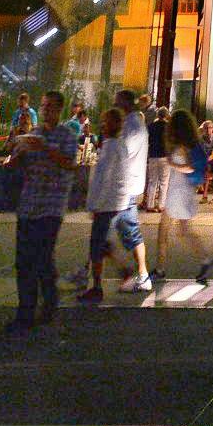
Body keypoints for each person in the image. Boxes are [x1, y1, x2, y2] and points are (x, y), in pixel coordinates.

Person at [6, 91, 83, 335]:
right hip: (28, 203)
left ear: (59, 109)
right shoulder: (34, 134)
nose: (46, 110)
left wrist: (46, 148)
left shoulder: (67, 136)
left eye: (50, 107)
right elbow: (19, 165)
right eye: (44, 106)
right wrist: (16, 157)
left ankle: (49, 301)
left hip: (52, 204)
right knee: (23, 261)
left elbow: (70, 164)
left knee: (43, 257)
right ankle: (25, 312)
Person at [82, 97, 151, 299]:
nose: (102, 126)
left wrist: (94, 204)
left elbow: (103, 178)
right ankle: (129, 272)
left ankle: (98, 285)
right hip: (120, 198)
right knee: (110, 240)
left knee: (99, 243)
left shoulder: (114, 145)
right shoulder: (123, 140)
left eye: (105, 122)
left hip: (109, 202)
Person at [153, 108, 213, 287]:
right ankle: (204, 260)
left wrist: (172, 163)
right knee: (182, 230)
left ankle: (160, 269)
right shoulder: (192, 143)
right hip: (184, 191)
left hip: (178, 192)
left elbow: (189, 168)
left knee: (164, 232)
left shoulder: (181, 146)